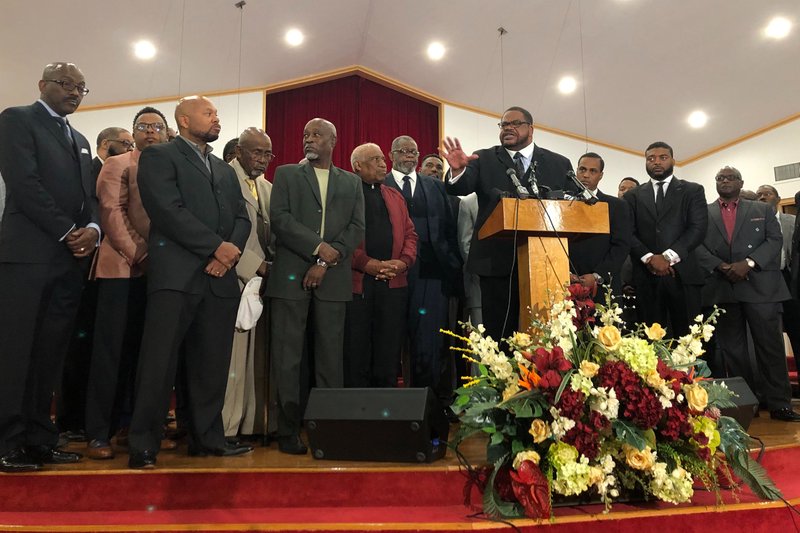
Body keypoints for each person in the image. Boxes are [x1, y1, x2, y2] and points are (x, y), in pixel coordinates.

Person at [127, 96, 253, 469]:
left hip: (219, 279)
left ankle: (207, 439)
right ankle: (144, 444)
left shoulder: (224, 168)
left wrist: (227, 254)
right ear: (183, 120)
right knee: (158, 363)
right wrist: (217, 248)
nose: (217, 119)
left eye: (216, 114)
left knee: (211, 365)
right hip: (177, 277)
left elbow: (241, 218)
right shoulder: (160, 157)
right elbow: (167, 210)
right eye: (208, 113)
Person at [0, 62, 98, 472]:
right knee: (16, 352)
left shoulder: (79, 138)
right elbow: (24, 183)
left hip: (68, 261)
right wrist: (68, 230)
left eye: (82, 87)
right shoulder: (17, 120)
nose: (75, 92)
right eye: (67, 84)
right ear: (43, 85)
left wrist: (92, 228)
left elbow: (86, 193)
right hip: (27, 256)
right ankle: (7, 442)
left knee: (50, 354)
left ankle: (40, 438)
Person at [266, 118, 364, 454]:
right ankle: (288, 430)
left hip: (333, 279)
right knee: (288, 357)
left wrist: (324, 261)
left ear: (333, 141)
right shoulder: (286, 174)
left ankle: (329, 427)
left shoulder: (351, 182)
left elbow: (356, 227)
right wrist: (317, 247)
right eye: (305, 134)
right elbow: (280, 219)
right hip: (290, 276)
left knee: (329, 359)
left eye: (317, 135)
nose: (309, 139)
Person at [443, 106, 574, 340]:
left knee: (546, 337)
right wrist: (457, 171)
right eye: (503, 125)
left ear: (530, 129)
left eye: (515, 123)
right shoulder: (483, 158)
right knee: (499, 337)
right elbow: (460, 187)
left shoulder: (558, 163)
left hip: (546, 264)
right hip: (495, 264)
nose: (508, 128)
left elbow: (572, 209)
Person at [84, 107, 170, 460]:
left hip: (159, 271)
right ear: (133, 133)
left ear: (167, 133)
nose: (150, 132)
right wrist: (142, 254)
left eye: (157, 127)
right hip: (121, 268)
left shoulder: (169, 167)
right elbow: (112, 214)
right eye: (143, 126)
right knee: (110, 352)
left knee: (145, 354)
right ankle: (98, 432)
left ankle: (131, 426)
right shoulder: (117, 164)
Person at [696, 167, 800, 422]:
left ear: (741, 183)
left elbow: (774, 241)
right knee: (734, 351)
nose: (725, 181)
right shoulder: (704, 213)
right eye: (720, 178)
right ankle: (748, 403)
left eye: (730, 178)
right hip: (723, 287)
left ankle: (779, 404)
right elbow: (696, 244)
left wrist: (749, 263)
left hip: (761, 287)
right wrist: (721, 266)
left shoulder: (762, 210)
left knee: (770, 347)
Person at [385, 135, 462, 390]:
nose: (409, 155)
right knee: (390, 339)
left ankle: (430, 402)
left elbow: (450, 229)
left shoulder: (436, 186)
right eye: (403, 150)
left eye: (413, 151)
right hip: (391, 273)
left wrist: (450, 264)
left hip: (432, 275)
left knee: (430, 341)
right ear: (391, 155)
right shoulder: (380, 184)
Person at [344, 143, 417, 387]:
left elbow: (410, 234)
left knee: (388, 348)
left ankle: (386, 410)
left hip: (394, 284)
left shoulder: (394, 195)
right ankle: (357, 412)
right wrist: (366, 263)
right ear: (357, 166)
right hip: (359, 284)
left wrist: (403, 262)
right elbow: (339, 235)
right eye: (374, 159)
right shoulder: (346, 194)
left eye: (381, 159)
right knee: (357, 349)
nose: (382, 163)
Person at [222, 127, 275, 443]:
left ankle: (253, 424)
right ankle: (226, 427)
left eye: (268, 154)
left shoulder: (267, 187)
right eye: (257, 152)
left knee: (257, 356)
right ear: (239, 151)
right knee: (231, 360)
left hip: (262, 282)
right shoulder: (222, 179)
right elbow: (223, 229)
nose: (263, 159)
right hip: (232, 276)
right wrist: (255, 266)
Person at [623, 141, 707, 337]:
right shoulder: (633, 196)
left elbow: (698, 229)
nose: (656, 162)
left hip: (683, 275)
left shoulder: (692, 191)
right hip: (646, 276)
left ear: (673, 161)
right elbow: (628, 232)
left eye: (663, 157)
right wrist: (650, 258)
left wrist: (667, 257)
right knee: (650, 340)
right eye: (651, 158)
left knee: (687, 340)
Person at [568, 152, 632, 301]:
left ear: (601, 175)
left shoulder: (616, 205)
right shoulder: (563, 203)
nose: (586, 175)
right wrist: (565, 272)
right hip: (567, 283)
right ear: (576, 171)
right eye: (582, 169)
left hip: (603, 287)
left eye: (592, 171)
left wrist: (597, 275)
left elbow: (621, 246)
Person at [757, 184, 800, 378]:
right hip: (764, 282)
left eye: (768, 193)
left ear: (778, 199)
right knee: (770, 339)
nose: (762, 197)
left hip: (790, 280)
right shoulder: (754, 224)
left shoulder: (792, 220)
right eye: (759, 194)